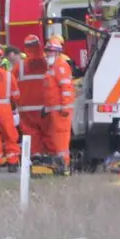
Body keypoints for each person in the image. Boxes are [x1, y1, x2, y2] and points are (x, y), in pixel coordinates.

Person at [43, 35, 76, 175]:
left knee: (61, 140)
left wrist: (65, 106)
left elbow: (66, 89)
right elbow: (51, 91)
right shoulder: (52, 67)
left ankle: (64, 166)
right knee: (56, 140)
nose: (48, 53)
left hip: (61, 111)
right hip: (54, 111)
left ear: (57, 52)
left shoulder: (60, 66)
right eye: (47, 51)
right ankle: (60, 165)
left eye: (51, 51)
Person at [14, 35, 50, 162]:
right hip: (46, 107)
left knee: (31, 133)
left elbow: (13, 86)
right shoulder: (48, 63)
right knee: (48, 133)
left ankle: (35, 157)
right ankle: (50, 158)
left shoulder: (20, 66)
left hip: (26, 108)